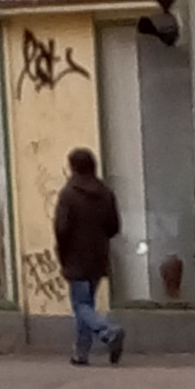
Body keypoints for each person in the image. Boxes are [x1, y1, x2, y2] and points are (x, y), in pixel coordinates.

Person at [53, 148, 125, 367]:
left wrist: (62, 253)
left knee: (81, 306)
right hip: (98, 255)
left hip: (75, 256)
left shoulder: (68, 194)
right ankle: (81, 353)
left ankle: (108, 331)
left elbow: (61, 229)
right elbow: (114, 227)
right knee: (87, 304)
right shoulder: (105, 192)